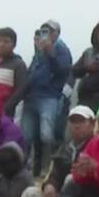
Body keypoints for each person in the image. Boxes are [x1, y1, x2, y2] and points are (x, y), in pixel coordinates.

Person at [6, 105, 96, 197]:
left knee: (71, 179)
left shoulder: (97, 145)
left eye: (81, 121)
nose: (76, 126)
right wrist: (50, 185)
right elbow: (55, 173)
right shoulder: (65, 148)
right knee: (31, 193)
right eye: (73, 121)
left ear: (92, 124)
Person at [23, 20, 72, 176]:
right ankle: (28, 168)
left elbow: (63, 70)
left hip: (49, 96)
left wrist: (51, 53)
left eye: (49, 31)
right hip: (32, 96)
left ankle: (48, 168)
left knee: (46, 134)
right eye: (43, 30)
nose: (46, 34)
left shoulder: (61, 48)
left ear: (56, 33)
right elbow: (33, 70)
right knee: (27, 134)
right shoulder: (39, 50)